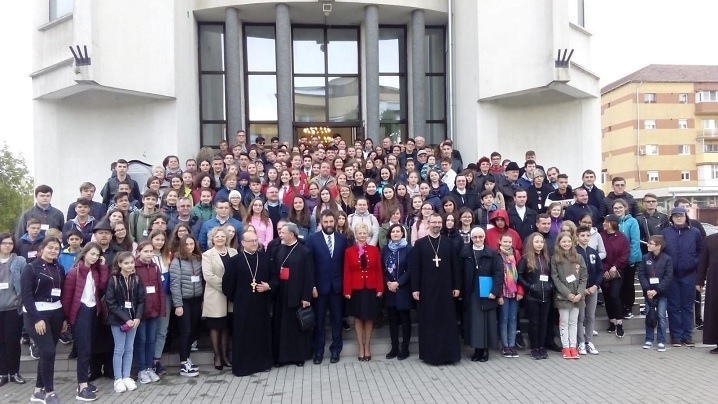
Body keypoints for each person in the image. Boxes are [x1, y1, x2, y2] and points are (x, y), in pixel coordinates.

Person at [21, 237, 68, 404]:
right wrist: (37, 318)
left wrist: (63, 318)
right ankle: (49, 392)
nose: (53, 251)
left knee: (48, 354)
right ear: (43, 248)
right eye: (50, 247)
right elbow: (26, 296)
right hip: (36, 314)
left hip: (56, 313)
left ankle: (37, 391)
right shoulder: (30, 268)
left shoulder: (59, 268)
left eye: (57, 248)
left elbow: (61, 294)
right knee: (48, 352)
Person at [410, 213, 461, 365]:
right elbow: (415, 268)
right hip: (427, 289)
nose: (437, 225)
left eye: (439, 222)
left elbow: (455, 266)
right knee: (429, 321)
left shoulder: (448, 243)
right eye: (434, 222)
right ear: (428, 224)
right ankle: (430, 355)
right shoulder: (420, 244)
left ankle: (449, 355)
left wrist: (457, 286)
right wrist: (415, 288)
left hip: (446, 288)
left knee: (447, 321)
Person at [61, 242, 109, 401]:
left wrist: (102, 266)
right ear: (84, 253)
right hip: (80, 313)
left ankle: (85, 382)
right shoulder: (74, 273)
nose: (94, 257)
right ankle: (81, 386)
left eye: (97, 255)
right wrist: (67, 320)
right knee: (84, 350)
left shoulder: (94, 271)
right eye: (92, 254)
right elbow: (67, 299)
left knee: (89, 349)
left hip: (93, 312)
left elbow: (102, 285)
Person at [223, 231, 274, 376]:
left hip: (262, 303)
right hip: (242, 304)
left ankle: (263, 363)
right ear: (243, 243)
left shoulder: (265, 259)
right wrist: (238, 297)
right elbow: (227, 284)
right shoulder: (235, 261)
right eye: (250, 241)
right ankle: (244, 366)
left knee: (261, 333)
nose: (254, 243)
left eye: (256, 241)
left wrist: (269, 286)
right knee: (243, 334)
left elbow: (275, 278)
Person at [305, 211, 347, 364]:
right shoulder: (312, 240)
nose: (329, 225)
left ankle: (336, 350)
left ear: (335, 222)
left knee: (337, 320)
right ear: (320, 222)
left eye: (331, 221)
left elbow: (345, 264)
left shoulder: (343, 239)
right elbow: (309, 266)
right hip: (319, 288)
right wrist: (313, 286)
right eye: (326, 222)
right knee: (319, 321)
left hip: (337, 287)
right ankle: (319, 351)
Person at [271, 223, 314, 367]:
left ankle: (298, 356)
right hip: (281, 294)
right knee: (281, 327)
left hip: (297, 294)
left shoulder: (304, 251)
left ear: (292, 234)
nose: (280, 235)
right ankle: (282, 358)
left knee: (296, 327)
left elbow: (309, 276)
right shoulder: (278, 249)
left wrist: (306, 297)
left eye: (283, 232)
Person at [661, 207, 701, 347]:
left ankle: (688, 336)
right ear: (671, 217)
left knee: (688, 306)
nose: (679, 218)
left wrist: (694, 263)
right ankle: (676, 336)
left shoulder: (694, 233)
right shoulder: (665, 233)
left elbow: (700, 251)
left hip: (689, 274)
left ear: (686, 216)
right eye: (676, 216)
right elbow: (661, 253)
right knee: (673, 306)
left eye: (681, 215)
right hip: (671, 275)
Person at [460, 227, 502, 362]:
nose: (478, 239)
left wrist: (495, 291)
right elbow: (460, 273)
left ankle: (485, 350)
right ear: (471, 239)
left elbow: (498, 273)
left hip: (487, 293)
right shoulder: (465, 253)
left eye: (480, 237)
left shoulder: (492, 253)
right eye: (475, 237)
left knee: (486, 323)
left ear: (484, 238)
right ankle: (477, 349)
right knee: (474, 323)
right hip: (472, 292)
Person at [201, 227, 237, 370]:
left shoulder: (234, 252)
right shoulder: (208, 255)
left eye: (223, 236)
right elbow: (208, 276)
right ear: (212, 239)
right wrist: (227, 287)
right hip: (216, 295)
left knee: (227, 326)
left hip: (231, 296)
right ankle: (217, 356)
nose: (220, 239)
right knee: (216, 326)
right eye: (217, 237)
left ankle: (225, 356)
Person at [170, 235, 204, 377]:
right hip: (184, 301)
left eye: (191, 244)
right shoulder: (176, 261)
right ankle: (183, 363)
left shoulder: (197, 259)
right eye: (187, 244)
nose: (189, 247)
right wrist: (178, 304)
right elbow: (175, 284)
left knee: (193, 330)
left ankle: (187, 358)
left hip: (196, 300)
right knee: (185, 331)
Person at [551, 232, 587, 359]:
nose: (566, 244)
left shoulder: (579, 257)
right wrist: (568, 294)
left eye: (568, 241)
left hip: (577, 297)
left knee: (574, 322)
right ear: (559, 243)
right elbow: (555, 279)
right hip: (563, 297)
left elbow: (583, 277)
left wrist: (579, 293)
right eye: (563, 241)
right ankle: (565, 347)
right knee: (564, 322)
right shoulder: (555, 259)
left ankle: (573, 346)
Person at [133, 240, 165, 383]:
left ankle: (149, 367)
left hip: (154, 310)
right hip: (140, 312)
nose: (149, 254)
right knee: (141, 340)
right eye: (146, 251)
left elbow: (160, 290)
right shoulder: (134, 267)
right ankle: (141, 370)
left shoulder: (155, 267)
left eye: (151, 251)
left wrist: (161, 308)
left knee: (151, 340)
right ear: (138, 252)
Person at [517, 232, 553, 360]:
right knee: (534, 322)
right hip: (532, 296)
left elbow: (553, 275)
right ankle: (534, 347)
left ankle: (541, 346)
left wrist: (550, 286)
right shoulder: (526, 258)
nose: (539, 244)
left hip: (546, 295)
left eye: (541, 242)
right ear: (531, 243)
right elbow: (519, 276)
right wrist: (530, 287)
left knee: (544, 322)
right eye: (537, 242)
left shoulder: (547, 258)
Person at [381, 224, 413, 360]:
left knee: (405, 319)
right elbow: (382, 269)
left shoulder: (409, 249)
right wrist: (388, 282)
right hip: (389, 289)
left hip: (403, 288)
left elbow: (411, 269)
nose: (395, 233)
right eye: (393, 231)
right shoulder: (385, 249)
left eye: (398, 231)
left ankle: (405, 349)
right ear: (389, 234)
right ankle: (394, 348)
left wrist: (398, 283)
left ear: (402, 233)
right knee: (392, 319)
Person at [638, 235, 673, 352]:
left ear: (658, 246)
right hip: (648, 293)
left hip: (661, 292)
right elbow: (641, 274)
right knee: (649, 315)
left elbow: (668, 277)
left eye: (651, 243)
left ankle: (661, 341)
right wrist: (647, 289)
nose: (648, 245)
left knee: (661, 316)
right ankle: (649, 339)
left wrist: (657, 290)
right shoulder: (645, 258)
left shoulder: (667, 259)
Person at [0, 234, 26, 387]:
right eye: (4, 243)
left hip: (13, 307)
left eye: (10, 243)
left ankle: (14, 372)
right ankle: (3, 373)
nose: (7, 246)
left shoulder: (19, 261)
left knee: (13, 341)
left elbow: (25, 282)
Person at [575, 226, 603, 355]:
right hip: (580, 291)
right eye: (582, 236)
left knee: (590, 316)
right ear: (577, 237)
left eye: (587, 236)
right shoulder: (574, 252)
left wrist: (595, 286)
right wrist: (581, 289)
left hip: (593, 289)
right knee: (580, 317)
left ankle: (589, 341)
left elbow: (600, 271)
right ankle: (580, 342)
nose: (585, 238)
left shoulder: (593, 251)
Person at [601, 214, 630, 338]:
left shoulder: (622, 238)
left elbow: (625, 254)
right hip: (604, 272)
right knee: (607, 297)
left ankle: (619, 323)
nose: (604, 224)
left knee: (614, 295)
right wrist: (605, 269)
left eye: (607, 222)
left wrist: (616, 265)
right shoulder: (600, 236)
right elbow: (599, 253)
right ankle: (611, 321)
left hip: (617, 272)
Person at [613, 198, 641, 319]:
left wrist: (631, 259)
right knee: (618, 284)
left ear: (625, 208)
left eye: (620, 207)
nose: (618, 210)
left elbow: (635, 241)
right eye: (615, 208)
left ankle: (628, 307)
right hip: (617, 260)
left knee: (628, 284)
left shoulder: (632, 221)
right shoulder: (612, 221)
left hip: (630, 259)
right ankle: (618, 307)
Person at [697, 232, 718, 354]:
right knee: (715, 312)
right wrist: (699, 280)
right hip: (715, 282)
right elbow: (703, 261)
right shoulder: (709, 240)